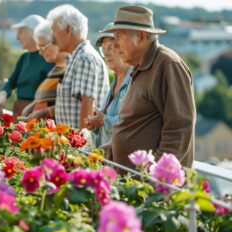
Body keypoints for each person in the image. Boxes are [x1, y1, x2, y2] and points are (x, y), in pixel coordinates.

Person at [103, 5, 196, 168]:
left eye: (119, 36)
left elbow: (179, 129)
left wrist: (155, 173)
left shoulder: (168, 65)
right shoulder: (139, 67)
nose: (114, 44)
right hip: (133, 183)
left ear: (140, 36)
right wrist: (112, 149)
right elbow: (136, 123)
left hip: (152, 188)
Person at [47, 5, 109, 130]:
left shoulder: (84, 58)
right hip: (71, 144)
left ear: (69, 29)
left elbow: (87, 106)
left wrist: (80, 145)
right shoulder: (75, 57)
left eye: (54, 30)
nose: (52, 37)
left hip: (79, 145)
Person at [0, 15, 54, 119]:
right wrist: (2, 95)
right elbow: (11, 82)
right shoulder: (24, 57)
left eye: (21, 32)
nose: (17, 37)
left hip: (39, 114)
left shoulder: (49, 58)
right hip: (19, 110)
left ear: (35, 32)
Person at [84, 23, 133, 147]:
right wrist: (95, 123)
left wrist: (103, 120)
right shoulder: (116, 79)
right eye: (103, 49)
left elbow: (133, 123)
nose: (106, 53)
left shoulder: (135, 79)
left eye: (110, 47)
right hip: (108, 158)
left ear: (122, 47)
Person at [21, 20, 67, 120]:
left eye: (43, 46)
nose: (41, 53)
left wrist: (42, 112)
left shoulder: (69, 67)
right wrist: (34, 104)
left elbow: (68, 104)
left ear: (56, 40)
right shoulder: (56, 66)